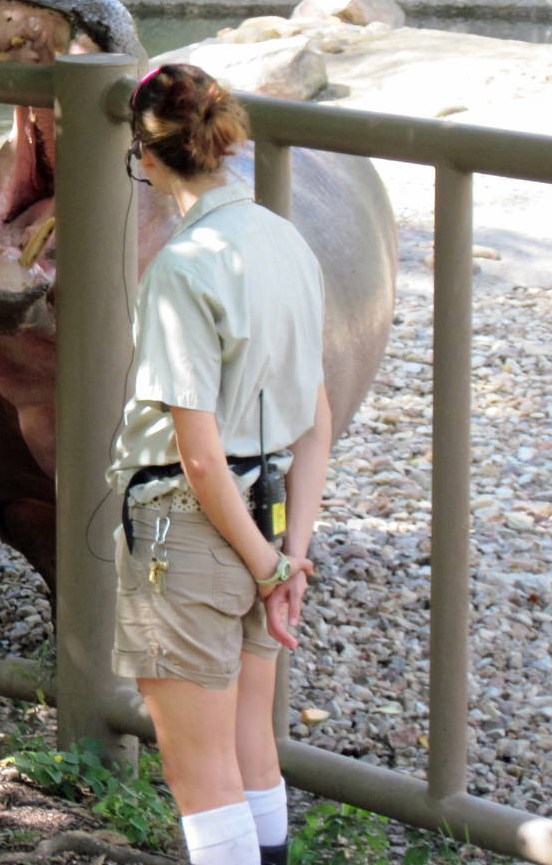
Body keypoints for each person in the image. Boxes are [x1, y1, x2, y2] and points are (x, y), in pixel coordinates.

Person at [110, 63, 333, 865]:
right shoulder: (287, 241)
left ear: (147, 155)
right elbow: (317, 418)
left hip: (188, 525)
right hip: (271, 510)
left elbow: (198, 456)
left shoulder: (182, 265)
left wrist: (268, 568)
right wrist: (287, 553)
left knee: (198, 769)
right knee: (251, 745)